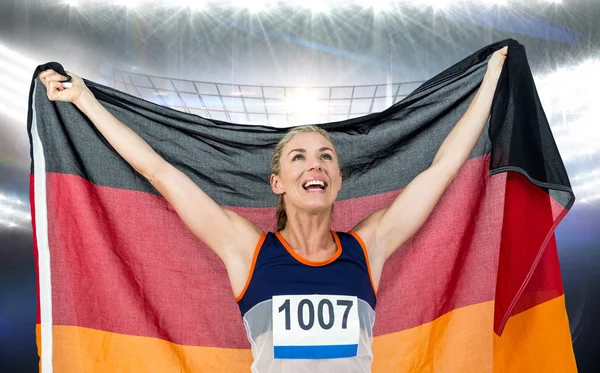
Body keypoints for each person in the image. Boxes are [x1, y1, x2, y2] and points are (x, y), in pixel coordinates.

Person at [38, 46, 507, 373]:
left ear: (338, 180)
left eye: (326, 156)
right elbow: (159, 172)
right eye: (299, 157)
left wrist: (491, 80)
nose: (315, 164)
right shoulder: (247, 250)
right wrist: (83, 100)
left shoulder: (369, 247)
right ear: (278, 183)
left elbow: (444, 169)